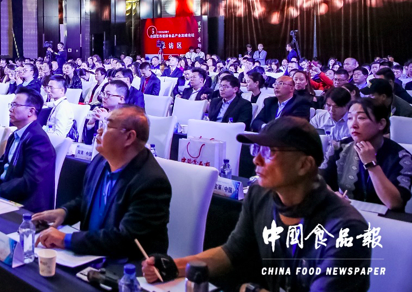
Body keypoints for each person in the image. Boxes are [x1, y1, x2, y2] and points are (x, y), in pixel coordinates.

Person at [143, 117, 371, 292]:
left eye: (269, 152)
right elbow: (233, 252)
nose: (256, 160)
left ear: (304, 165)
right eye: (256, 150)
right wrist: (173, 267)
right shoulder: (260, 194)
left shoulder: (346, 228)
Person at [35, 106, 172, 259]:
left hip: (128, 266)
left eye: (107, 125)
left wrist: (66, 239)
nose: (99, 131)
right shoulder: (100, 161)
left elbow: (125, 239)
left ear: (129, 137)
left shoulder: (151, 182)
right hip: (91, 255)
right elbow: (86, 200)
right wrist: (65, 212)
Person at [321, 98, 412, 211]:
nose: (353, 124)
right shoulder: (339, 147)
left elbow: (394, 203)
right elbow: (319, 181)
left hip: (385, 218)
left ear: (381, 124)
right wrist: (331, 195)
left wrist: (371, 164)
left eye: (361, 118)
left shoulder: (401, 157)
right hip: (348, 213)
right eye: (350, 118)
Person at [0, 88, 56, 212]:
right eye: (11, 105)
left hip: (22, 205)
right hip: (4, 194)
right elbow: (1, 164)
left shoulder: (38, 140)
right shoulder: (16, 134)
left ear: (31, 111)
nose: (10, 109)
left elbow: (30, 181)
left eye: (15, 105)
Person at [83, 80, 129, 145]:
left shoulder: (128, 119)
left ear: (121, 99)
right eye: (103, 94)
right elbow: (88, 142)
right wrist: (91, 122)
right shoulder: (102, 112)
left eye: (108, 94)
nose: (103, 97)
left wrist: (107, 119)